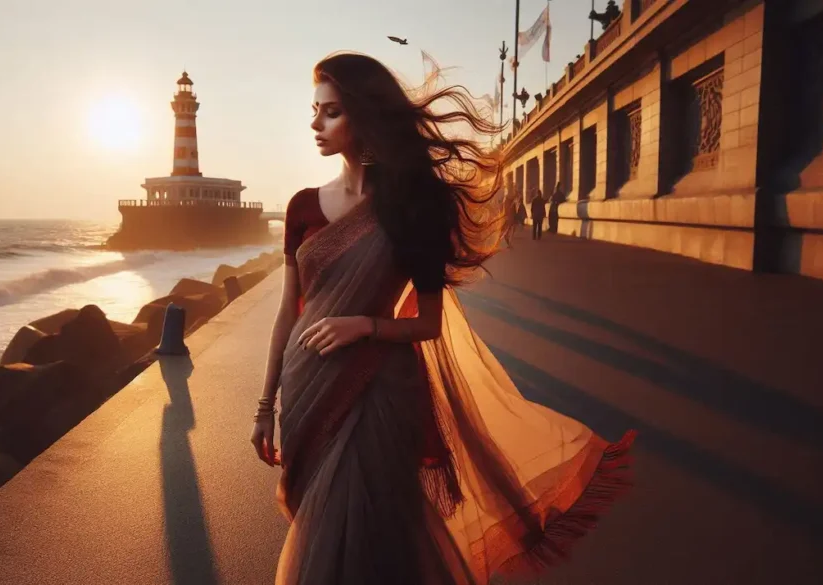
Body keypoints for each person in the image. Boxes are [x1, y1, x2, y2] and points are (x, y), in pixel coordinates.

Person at [250, 52, 635, 585]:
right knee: (324, 523)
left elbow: (428, 322)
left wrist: (364, 326)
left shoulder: (413, 206)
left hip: (381, 390)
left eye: (331, 112)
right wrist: (265, 405)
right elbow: (285, 313)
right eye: (314, 111)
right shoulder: (302, 208)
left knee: (374, 532)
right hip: (306, 385)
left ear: (366, 114)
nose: (315, 124)